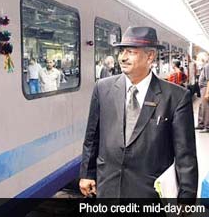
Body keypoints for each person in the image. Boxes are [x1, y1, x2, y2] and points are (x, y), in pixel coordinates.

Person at [79, 26, 198, 198]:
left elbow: (185, 154)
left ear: (150, 56)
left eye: (131, 52)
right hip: (108, 189)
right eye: (121, 51)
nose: (123, 57)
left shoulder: (176, 97)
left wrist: (186, 197)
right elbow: (92, 137)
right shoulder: (103, 88)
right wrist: (87, 173)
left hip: (150, 195)